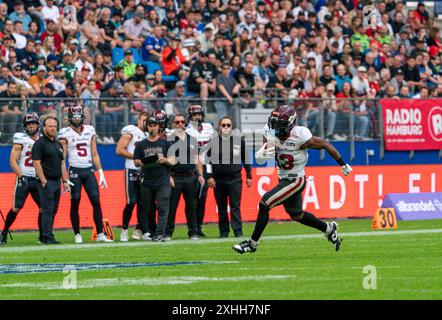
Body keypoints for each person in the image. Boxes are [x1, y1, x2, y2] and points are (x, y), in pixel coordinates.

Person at [233, 105, 353, 254]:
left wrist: (343, 164)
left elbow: (325, 144)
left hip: (295, 180)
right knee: (297, 215)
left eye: (280, 124)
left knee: (265, 203)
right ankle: (329, 229)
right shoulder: (269, 131)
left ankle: (252, 244)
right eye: (274, 122)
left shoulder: (301, 135)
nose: (275, 127)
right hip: (283, 177)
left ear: (290, 123)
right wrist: (265, 150)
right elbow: (270, 148)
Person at [58, 106, 112, 243]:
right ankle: (77, 234)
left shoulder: (89, 130)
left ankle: (100, 234)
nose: (77, 118)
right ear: (70, 117)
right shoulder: (65, 133)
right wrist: (64, 178)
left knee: (96, 201)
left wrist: (100, 172)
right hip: (74, 171)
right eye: (74, 116)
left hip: (88, 170)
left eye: (78, 115)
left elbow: (94, 153)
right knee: (75, 201)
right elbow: (62, 159)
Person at [206, 116, 252, 238]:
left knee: (235, 207)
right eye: (223, 125)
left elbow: (246, 159)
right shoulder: (213, 142)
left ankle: (238, 232)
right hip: (218, 181)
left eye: (228, 125)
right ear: (219, 127)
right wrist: (209, 176)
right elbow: (207, 161)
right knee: (221, 208)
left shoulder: (239, 141)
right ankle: (223, 232)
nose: (226, 127)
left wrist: (249, 176)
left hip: (235, 179)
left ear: (232, 127)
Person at [133, 112, 175, 242]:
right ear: (147, 127)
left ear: (158, 127)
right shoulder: (140, 145)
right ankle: (151, 232)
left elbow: (173, 161)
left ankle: (160, 233)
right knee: (147, 208)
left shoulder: (166, 144)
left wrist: (165, 160)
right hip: (147, 180)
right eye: (150, 125)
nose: (152, 128)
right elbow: (136, 161)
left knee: (163, 207)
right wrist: (141, 161)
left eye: (154, 125)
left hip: (163, 180)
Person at [1, 113, 42, 244]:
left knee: (43, 208)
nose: (31, 126)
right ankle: (4, 233)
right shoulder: (21, 139)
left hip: (37, 179)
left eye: (33, 124)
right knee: (16, 208)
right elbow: (13, 161)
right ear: (25, 126)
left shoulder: (42, 140)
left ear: (38, 125)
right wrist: (21, 176)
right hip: (24, 177)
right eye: (29, 124)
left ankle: (43, 235)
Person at [165, 114, 205, 240]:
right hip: (175, 177)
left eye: (182, 122)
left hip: (190, 176)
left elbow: (197, 158)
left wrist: (200, 175)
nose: (180, 124)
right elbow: (164, 161)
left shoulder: (192, 139)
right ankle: (168, 232)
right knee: (171, 207)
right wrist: (168, 176)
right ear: (173, 124)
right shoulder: (168, 140)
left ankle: (193, 232)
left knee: (191, 207)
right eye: (177, 122)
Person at [32, 115, 67, 244]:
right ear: (44, 127)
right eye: (50, 126)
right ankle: (47, 236)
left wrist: (65, 180)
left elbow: (62, 163)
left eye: (54, 126)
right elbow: (36, 163)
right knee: (47, 209)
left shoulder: (58, 144)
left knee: (53, 210)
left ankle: (44, 235)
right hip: (46, 181)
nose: (52, 128)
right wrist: (43, 180)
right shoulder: (39, 144)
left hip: (57, 181)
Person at [116, 112, 149, 241]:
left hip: (145, 171)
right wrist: (137, 157)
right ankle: (124, 229)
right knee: (131, 202)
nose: (145, 123)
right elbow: (119, 150)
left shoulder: (149, 135)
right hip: (131, 169)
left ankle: (139, 229)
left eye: (148, 120)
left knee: (144, 203)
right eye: (144, 120)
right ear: (138, 120)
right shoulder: (131, 131)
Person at [185, 104, 213, 237]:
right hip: (192, 167)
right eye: (194, 115)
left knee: (202, 198)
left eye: (199, 114)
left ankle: (199, 226)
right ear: (190, 117)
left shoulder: (208, 128)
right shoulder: (187, 130)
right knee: (192, 199)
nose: (197, 117)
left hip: (206, 166)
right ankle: (192, 228)